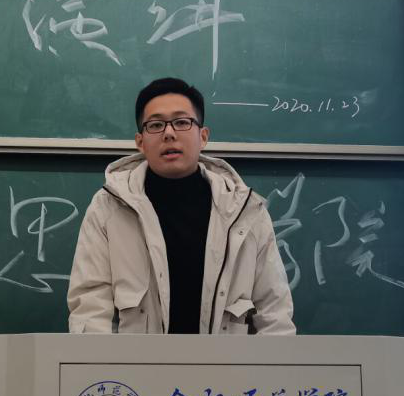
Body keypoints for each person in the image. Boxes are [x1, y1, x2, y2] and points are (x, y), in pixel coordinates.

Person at [67, 77, 295, 335]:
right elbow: (90, 307)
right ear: (140, 142)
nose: (169, 133)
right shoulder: (108, 206)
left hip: (227, 361)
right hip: (135, 361)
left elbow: (274, 312)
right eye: (155, 125)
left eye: (182, 122)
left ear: (203, 136)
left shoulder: (244, 210)